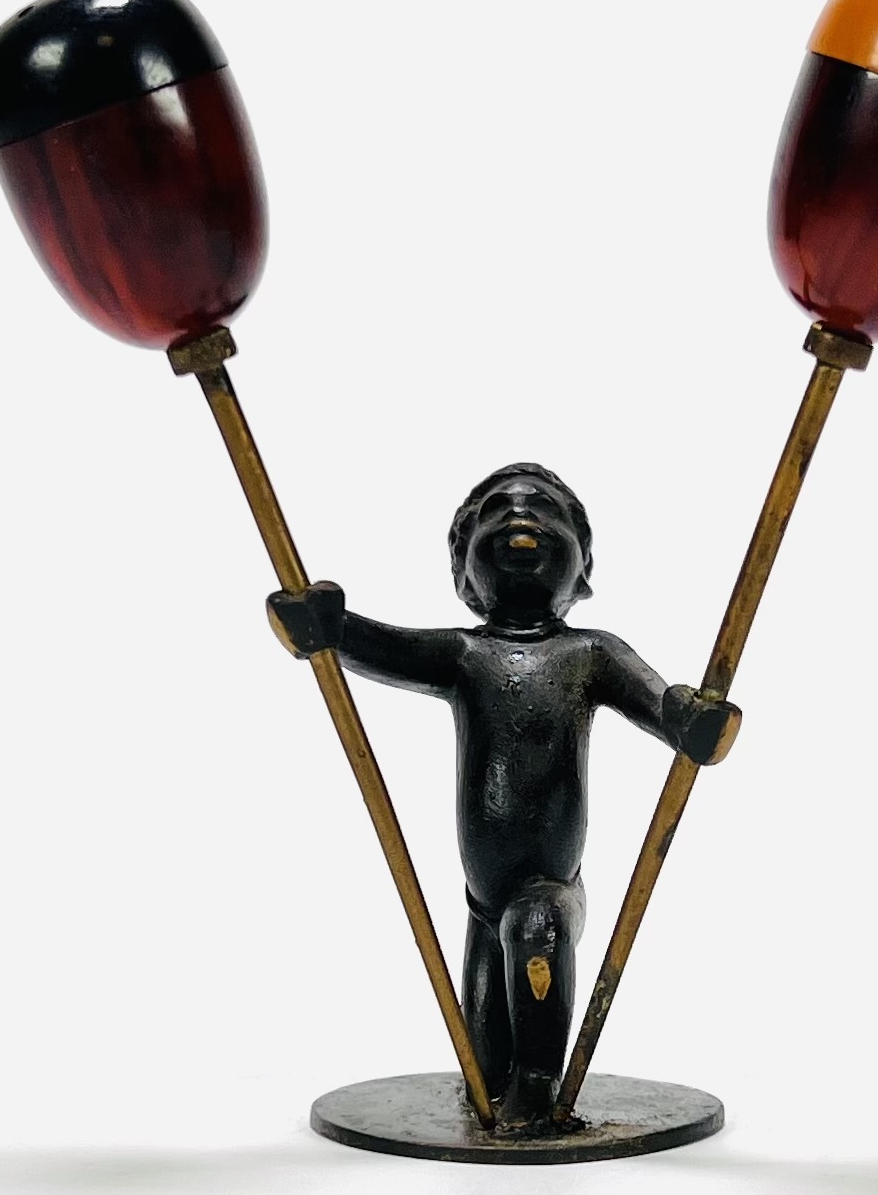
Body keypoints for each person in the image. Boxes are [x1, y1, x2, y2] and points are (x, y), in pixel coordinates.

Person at [267, 462, 739, 1127]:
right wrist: (328, 630)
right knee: (482, 1067)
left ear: (582, 571)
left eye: (545, 512)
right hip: (480, 904)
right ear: (464, 575)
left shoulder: (591, 654)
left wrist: (693, 723)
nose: (520, 518)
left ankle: (540, 1092)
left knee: (536, 931)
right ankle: (505, 1090)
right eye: (495, 513)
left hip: (548, 889)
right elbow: (385, 648)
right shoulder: (463, 655)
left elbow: (664, 710)